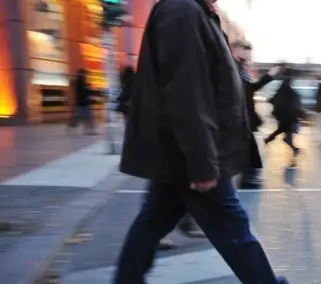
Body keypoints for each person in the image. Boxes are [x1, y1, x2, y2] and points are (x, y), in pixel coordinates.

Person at [114, 0, 288, 283]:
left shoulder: (194, 11)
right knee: (232, 228)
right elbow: (187, 92)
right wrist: (202, 163)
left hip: (184, 152)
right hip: (192, 153)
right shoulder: (183, 11)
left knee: (152, 223)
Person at [231, 40, 279, 189]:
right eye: (247, 50)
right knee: (245, 149)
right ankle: (247, 177)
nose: (249, 54)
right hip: (237, 116)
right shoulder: (231, 67)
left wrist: (269, 76)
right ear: (236, 49)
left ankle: (249, 176)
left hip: (244, 117)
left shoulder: (240, 69)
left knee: (249, 149)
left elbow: (250, 88)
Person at [264, 66, 304, 158]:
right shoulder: (287, 85)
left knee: (283, 131)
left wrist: (271, 100)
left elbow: (279, 96)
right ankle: (294, 149)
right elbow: (281, 96)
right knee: (284, 133)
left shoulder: (285, 84)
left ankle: (268, 140)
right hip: (288, 115)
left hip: (286, 115)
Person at [67, 68, 97, 135]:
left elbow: (87, 92)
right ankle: (71, 128)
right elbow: (74, 84)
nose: (85, 75)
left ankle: (90, 130)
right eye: (84, 74)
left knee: (88, 117)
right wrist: (88, 88)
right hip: (80, 103)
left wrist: (89, 88)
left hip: (84, 103)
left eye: (85, 74)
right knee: (79, 117)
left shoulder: (83, 82)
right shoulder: (78, 82)